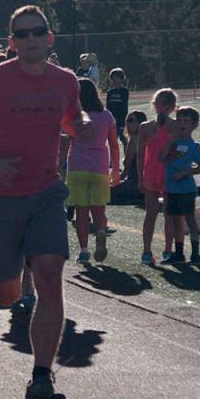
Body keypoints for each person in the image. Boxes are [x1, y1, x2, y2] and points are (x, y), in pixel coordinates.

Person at [0, 5, 93, 399]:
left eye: (38, 32)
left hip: (46, 192)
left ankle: (40, 376)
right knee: (6, 294)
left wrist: (80, 124)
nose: (31, 39)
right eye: (22, 34)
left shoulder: (66, 80)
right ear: (12, 42)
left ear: (50, 38)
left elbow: (72, 116)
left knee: (49, 275)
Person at [65, 78, 120, 263]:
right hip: (100, 166)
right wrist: (116, 170)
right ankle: (101, 233)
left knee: (81, 211)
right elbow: (114, 144)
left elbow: (65, 139)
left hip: (77, 166)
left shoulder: (75, 116)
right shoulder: (107, 116)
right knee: (99, 209)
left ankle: (83, 251)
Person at [160, 106, 200, 265]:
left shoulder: (194, 146)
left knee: (190, 219)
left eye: (186, 121)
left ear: (194, 125)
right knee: (176, 220)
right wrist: (170, 141)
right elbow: (161, 158)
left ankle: (196, 254)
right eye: (180, 120)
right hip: (171, 187)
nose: (182, 124)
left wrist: (184, 172)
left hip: (186, 188)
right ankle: (179, 253)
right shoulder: (173, 142)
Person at [136, 89, 178, 265]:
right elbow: (140, 154)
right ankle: (148, 250)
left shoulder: (176, 126)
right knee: (152, 214)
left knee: (168, 214)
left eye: (166, 105)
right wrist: (140, 177)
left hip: (168, 173)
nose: (163, 108)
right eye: (161, 104)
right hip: (153, 173)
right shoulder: (146, 126)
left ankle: (167, 249)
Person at [110, 111, 148, 204]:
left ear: (140, 123)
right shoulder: (148, 139)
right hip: (148, 184)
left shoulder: (135, 140)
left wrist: (114, 183)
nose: (127, 123)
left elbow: (126, 169)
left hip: (135, 184)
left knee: (103, 191)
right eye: (127, 120)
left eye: (131, 120)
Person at [105, 67, 129, 146]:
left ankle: (127, 157)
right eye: (113, 78)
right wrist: (111, 116)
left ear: (122, 79)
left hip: (121, 120)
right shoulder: (110, 92)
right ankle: (113, 158)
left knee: (124, 140)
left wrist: (118, 116)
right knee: (112, 142)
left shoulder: (124, 91)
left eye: (116, 78)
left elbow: (124, 106)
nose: (114, 80)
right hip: (112, 120)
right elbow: (108, 106)